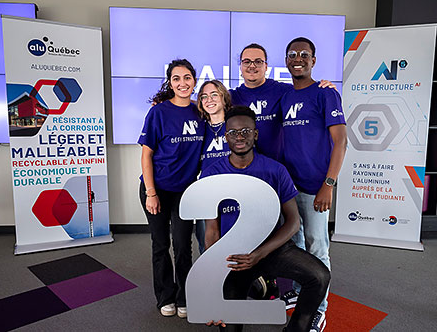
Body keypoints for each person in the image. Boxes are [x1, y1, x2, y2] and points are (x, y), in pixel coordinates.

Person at [202, 106, 330, 332]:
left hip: (271, 249)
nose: (239, 137)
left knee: (319, 276)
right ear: (225, 137)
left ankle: (296, 328)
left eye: (245, 131)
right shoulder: (212, 173)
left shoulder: (275, 170)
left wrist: (260, 254)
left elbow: (293, 222)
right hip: (234, 256)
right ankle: (256, 287)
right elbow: (212, 230)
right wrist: (214, 279)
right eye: (233, 133)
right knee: (228, 326)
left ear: (256, 134)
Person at [280, 37, 347, 332]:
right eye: (293, 54)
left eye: (304, 54)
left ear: (313, 60)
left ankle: (319, 309)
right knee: (296, 244)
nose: (298, 58)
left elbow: (341, 141)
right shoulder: (284, 96)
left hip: (316, 188)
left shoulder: (325, 94)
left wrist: (328, 185)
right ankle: (300, 288)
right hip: (290, 187)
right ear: (286, 60)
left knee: (317, 247)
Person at [138, 59, 204, 319]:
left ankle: (183, 296)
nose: (182, 83)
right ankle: (165, 297)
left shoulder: (201, 111)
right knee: (160, 244)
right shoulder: (159, 112)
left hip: (185, 192)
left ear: (194, 81)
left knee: (182, 245)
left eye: (187, 77)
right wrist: (151, 193)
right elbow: (146, 155)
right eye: (176, 78)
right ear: (170, 83)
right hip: (157, 189)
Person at [230, 43, 335, 162]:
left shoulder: (285, 91)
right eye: (247, 61)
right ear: (240, 66)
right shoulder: (231, 97)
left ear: (266, 66)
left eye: (258, 61)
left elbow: (308, 90)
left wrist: (324, 87)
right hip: (244, 168)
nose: (252, 66)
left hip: (279, 168)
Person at [194, 80, 232, 253]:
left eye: (214, 94)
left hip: (234, 193)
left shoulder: (236, 125)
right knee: (207, 245)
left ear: (224, 98)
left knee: (233, 243)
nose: (209, 99)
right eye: (204, 97)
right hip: (207, 193)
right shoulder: (198, 128)